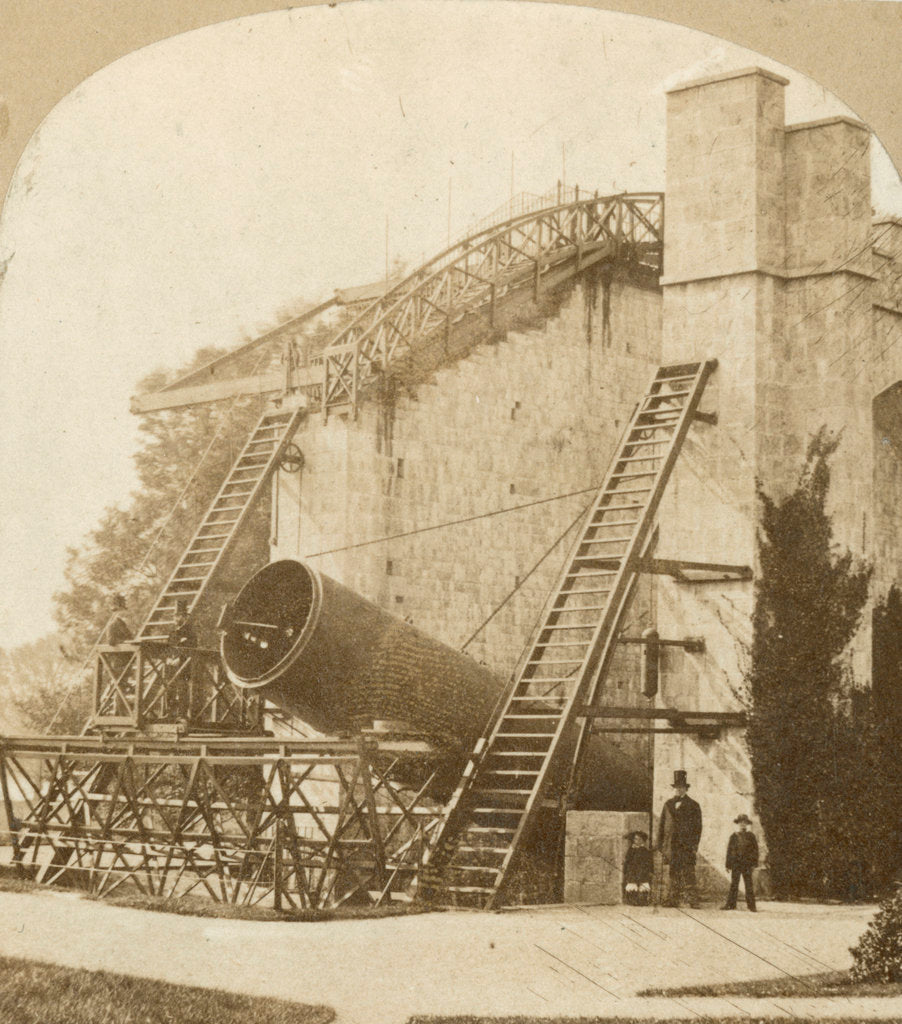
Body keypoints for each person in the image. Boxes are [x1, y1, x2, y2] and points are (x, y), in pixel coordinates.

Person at [657, 769, 703, 908]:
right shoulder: (668, 804)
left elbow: (698, 828)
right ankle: (672, 899)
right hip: (671, 846)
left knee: (689, 873)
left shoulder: (694, 805)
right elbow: (662, 825)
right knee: (673, 873)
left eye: (681, 787)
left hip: (686, 846)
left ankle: (693, 900)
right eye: (676, 787)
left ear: (685, 789)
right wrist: (660, 845)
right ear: (674, 789)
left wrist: (694, 846)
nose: (678, 790)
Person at [722, 813, 759, 911]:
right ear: (737, 824)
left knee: (748, 884)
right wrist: (727, 865)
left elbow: (755, 850)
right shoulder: (733, 836)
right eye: (741, 823)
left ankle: (752, 906)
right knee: (734, 884)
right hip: (736, 864)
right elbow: (729, 851)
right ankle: (731, 905)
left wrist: (754, 864)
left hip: (747, 864)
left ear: (747, 824)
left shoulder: (751, 836)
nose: (743, 825)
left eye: (745, 823)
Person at [623, 830, 653, 906]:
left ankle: (643, 900)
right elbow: (627, 860)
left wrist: (651, 870)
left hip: (643, 870)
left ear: (643, 841)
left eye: (639, 839)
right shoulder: (631, 850)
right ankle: (632, 900)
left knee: (643, 884)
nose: (637, 841)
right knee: (632, 884)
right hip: (632, 870)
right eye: (636, 839)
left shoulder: (645, 850)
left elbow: (649, 861)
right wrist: (625, 869)